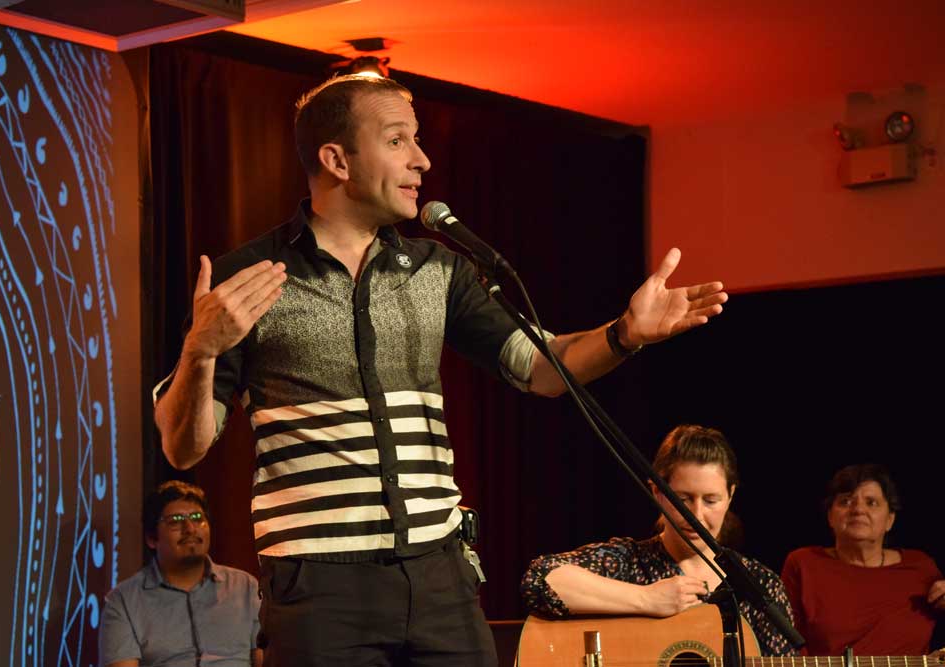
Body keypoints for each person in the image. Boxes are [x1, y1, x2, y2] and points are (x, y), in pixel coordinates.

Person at [153, 73, 728, 666]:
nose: (422, 160)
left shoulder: (435, 268)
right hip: (318, 586)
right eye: (398, 141)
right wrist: (200, 351)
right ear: (337, 159)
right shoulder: (248, 276)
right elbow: (183, 446)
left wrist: (625, 334)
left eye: (418, 140)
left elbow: (542, 368)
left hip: (439, 574)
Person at [521, 424, 797, 657]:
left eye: (711, 500)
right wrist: (647, 598)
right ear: (657, 492)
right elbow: (540, 579)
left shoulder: (760, 587)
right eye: (683, 499)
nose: (696, 516)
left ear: (731, 495)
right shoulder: (630, 561)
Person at [781, 464, 945, 656]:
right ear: (830, 517)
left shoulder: (921, 566)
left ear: (890, 519)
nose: (858, 509)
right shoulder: (803, 563)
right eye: (845, 501)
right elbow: (786, 644)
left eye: (871, 502)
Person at [99, 481, 262, 667]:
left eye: (197, 518)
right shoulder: (123, 602)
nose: (190, 529)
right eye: (175, 521)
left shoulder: (245, 587)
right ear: (152, 539)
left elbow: (266, 660)